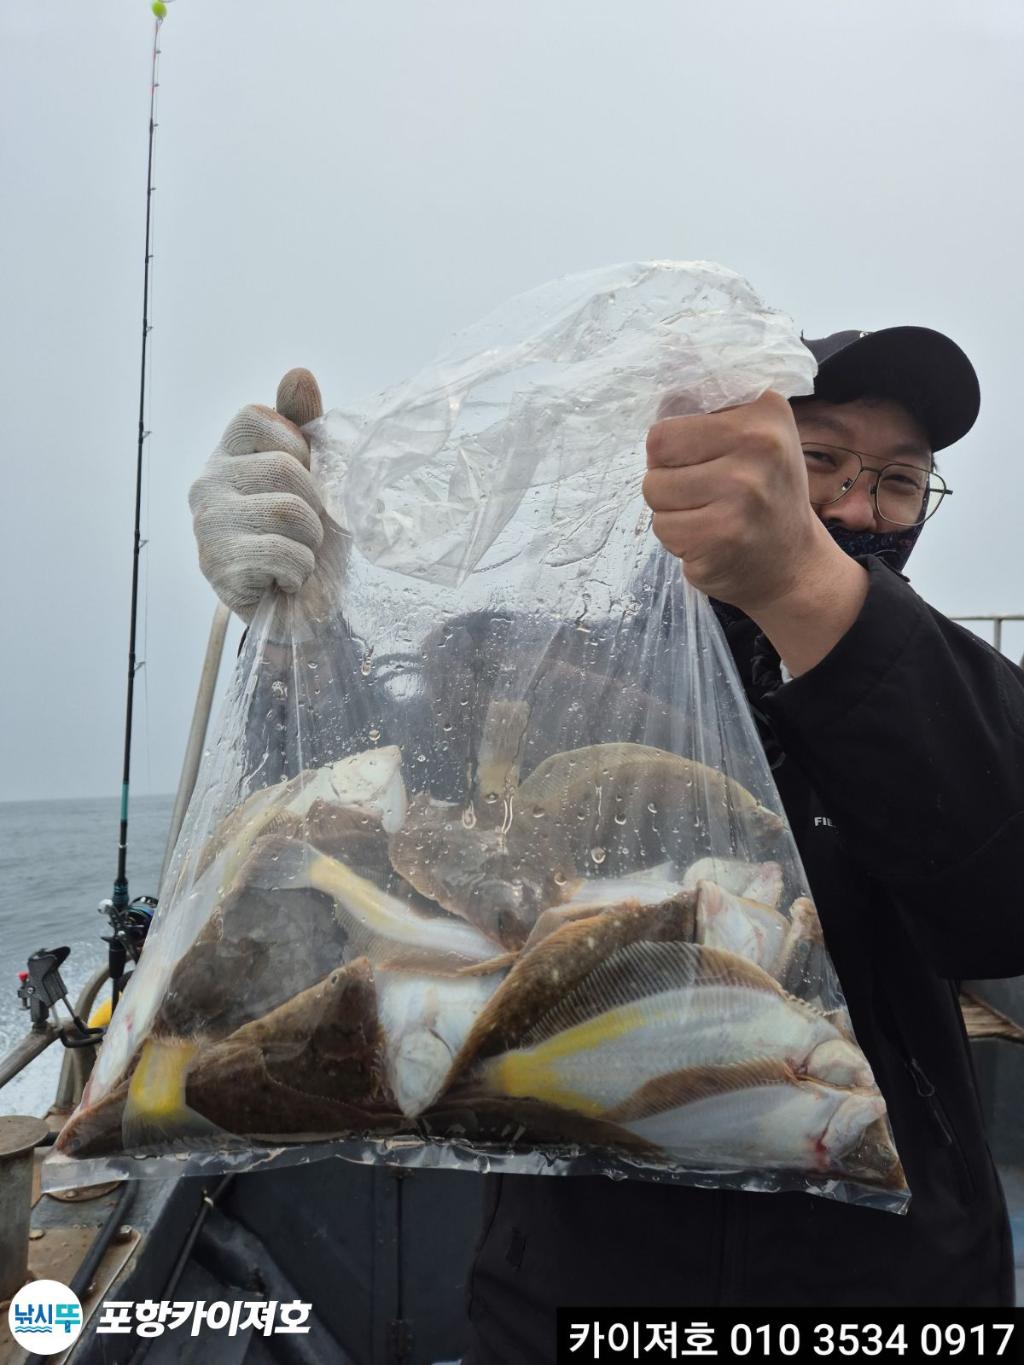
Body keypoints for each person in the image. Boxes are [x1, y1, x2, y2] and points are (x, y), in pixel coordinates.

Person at [189, 325, 1024, 1356]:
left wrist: (806, 590)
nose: (857, 508)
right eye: (820, 462)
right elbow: (362, 841)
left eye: (899, 482)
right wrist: (304, 640)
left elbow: (1003, 899)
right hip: (570, 1294)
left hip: (899, 1294)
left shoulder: (932, 691)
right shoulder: (544, 675)